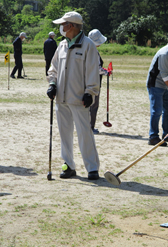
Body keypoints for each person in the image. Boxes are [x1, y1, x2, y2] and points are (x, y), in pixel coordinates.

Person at [46, 11, 100, 180]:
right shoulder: (61, 45)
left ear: (71, 26)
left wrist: (90, 92)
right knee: (64, 134)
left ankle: (92, 168)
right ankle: (68, 166)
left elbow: (93, 71)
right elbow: (53, 68)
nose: (61, 27)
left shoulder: (88, 45)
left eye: (63, 24)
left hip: (79, 99)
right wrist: (52, 84)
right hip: (61, 99)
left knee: (85, 134)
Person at [88, 29, 108, 135]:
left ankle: (87, 126)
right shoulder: (93, 51)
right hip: (94, 82)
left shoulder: (87, 48)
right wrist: (106, 72)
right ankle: (90, 127)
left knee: (88, 106)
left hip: (88, 82)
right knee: (93, 105)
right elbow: (97, 69)